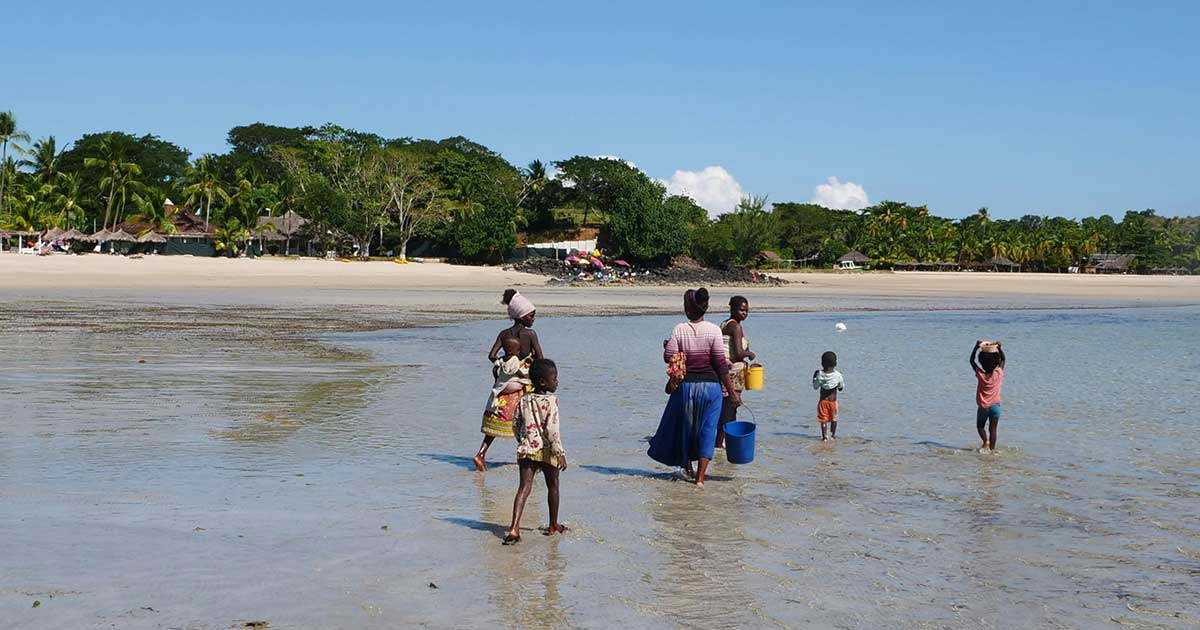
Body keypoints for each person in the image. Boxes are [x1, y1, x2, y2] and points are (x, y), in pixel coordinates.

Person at [647, 288, 740, 487]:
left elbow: (669, 357)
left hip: (686, 387)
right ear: (705, 308)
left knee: (686, 429)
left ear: (687, 309)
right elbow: (720, 364)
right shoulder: (714, 329)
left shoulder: (679, 329)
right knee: (707, 431)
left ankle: (687, 467)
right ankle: (700, 478)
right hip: (711, 388)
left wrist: (667, 347)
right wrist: (732, 393)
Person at [474, 290, 544, 472]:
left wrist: (504, 364)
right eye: (531, 315)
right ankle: (531, 459)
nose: (534, 318)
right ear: (522, 316)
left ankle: (481, 454)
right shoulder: (530, 334)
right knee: (529, 422)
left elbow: (491, 355)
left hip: (504, 384)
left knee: (497, 422)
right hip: (524, 384)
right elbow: (540, 358)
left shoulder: (504, 334)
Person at [504, 358, 568, 545]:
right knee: (553, 486)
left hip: (527, 449)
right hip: (547, 451)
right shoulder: (551, 400)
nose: (556, 382)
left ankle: (514, 528)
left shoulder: (524, 399)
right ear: (543, 382)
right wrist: (560, 453)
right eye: (554, 378)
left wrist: (523, 440)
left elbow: (515, 424)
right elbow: (552, 429)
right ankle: (553, 524)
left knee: (524, 488)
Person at [717, 296, 756, 449]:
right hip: (732, 374)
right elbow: (738, 353)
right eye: (741, 310)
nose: (744, 313)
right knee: (729, 409)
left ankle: (722, 441)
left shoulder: (725, 324)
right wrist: (750, 354)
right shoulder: (735, 327)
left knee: (727, 408)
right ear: (732, 309)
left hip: (727, 371)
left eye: (746, 310)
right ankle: (720, 443)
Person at [970, 340, 1006, 452]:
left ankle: (985, 441)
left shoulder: (981, 375)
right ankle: (992, 450)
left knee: (980, 427)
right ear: (996, 362)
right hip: (996, 406)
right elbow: (1004, 359)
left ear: (982, 362)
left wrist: (976, 347)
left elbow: (971, 361)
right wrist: (999, 348)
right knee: (993, 429)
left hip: (983, 407)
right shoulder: (998, 373)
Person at [813, 351, 844, 441]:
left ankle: (824, 437)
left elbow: (815, 387)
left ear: (822, 363)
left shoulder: (820, 374)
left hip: (823, 401)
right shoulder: (838, 375)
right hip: (833, 402)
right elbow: (841, 387)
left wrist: (814, 377)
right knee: (834, 418)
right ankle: (833, 436)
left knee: (823, 420)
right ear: (835, 363)